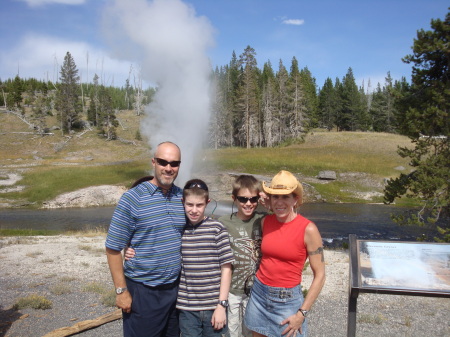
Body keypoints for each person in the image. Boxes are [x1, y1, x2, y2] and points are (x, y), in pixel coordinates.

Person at [126, 178, 235, 336]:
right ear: (183, 202)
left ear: (207, 202)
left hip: (213, 307)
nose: (194, 210)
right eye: (189, 205)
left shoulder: (217, 229)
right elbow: (154, 240)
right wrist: (129, 248)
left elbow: (226, 268)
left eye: (199, 205)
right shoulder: (179, 228)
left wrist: (222, 305)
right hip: (187, 308)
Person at [105, 141, 185, 337]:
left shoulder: (181, 197)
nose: (168, 168)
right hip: (144, 291)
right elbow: (112, 248)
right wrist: (121, 291)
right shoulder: (132, 198)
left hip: (175, 289)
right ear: (153, 162)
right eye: (163, 162)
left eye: (174, 163)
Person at [244, 170, 326, 337]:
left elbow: (321, 274)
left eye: (285, 196)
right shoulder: (266, 221)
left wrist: (301, 313)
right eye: (275, 196)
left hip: (287, 301)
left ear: (295, 199)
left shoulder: (308, 229)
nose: (279, 202)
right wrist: (267, 200)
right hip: (259, 294)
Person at [218, 175, 265, 337]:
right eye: (243, 199)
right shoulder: (223, 222)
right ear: (234, 199)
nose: (248, 203)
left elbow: (286, 218)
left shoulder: (263, 220)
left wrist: (269, 202)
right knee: (231, 330)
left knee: (250, 330)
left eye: (253, 199)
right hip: (231, 289)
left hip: (255, 289)